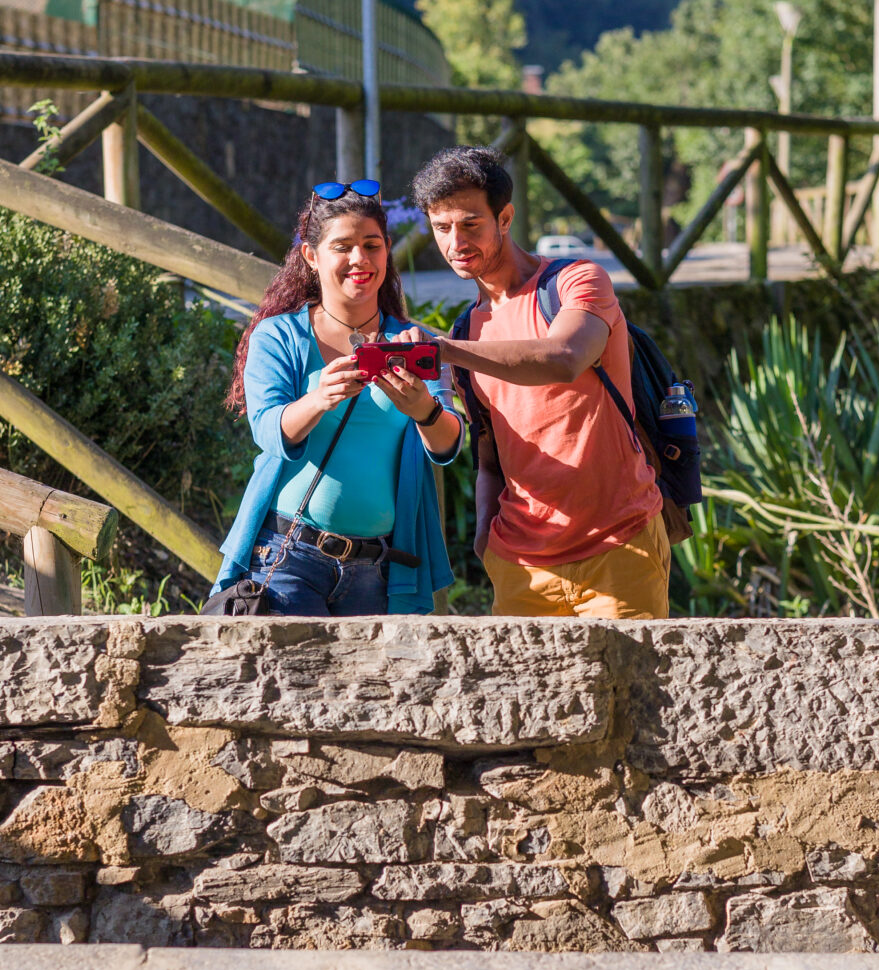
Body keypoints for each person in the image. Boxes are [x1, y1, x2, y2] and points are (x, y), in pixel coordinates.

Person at [410, 146, 670, 620]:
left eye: (471, 224)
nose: (455, 242)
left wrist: (443, 351)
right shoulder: (469, 331)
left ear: (505, 218)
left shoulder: (576, 282)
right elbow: (489, 457)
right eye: (441, 228)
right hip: (520, 566)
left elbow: (565, 357)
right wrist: (486, 538)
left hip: (620, 545)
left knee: (633, 695)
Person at [212, 180, 464, 616]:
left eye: (372, 245)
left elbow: (449, 444)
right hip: (288, 558)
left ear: (387, 251)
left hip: (383, 567)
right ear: (311, 257)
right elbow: (268, 432)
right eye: (342, 246)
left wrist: (422, 409)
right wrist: (318, 399)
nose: (359, 260)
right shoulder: (280, 335)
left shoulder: (412, 342)